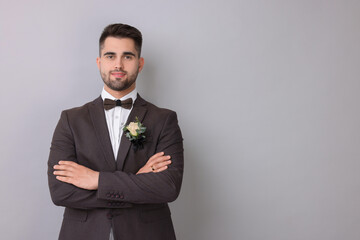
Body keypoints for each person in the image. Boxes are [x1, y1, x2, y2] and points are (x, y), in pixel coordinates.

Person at [47, 23, 184, 240]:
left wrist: (96, 180)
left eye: (127, 56)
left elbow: (167, 187)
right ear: (99, 62)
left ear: (140, 64)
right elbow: (60, 191)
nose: (118, 64)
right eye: (110, 56)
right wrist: (136, 182)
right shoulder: (70, 120)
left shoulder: (164, 120)